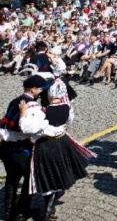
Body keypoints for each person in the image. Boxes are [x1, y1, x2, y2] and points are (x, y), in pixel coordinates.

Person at [18, 81, 96, 221]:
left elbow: (27, 128)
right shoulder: (68, 107)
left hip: (46, 145)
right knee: (59, 170)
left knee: (46, 174)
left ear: (49, 94)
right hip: (62, 142)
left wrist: (23, 114)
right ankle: (50, 207)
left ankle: (47, 209)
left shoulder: (42, 111)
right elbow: (69, 121)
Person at [0, 75, 46, 221]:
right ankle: (22, 211)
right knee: (30, 179)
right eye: (39, 88)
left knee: (12, 178)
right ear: (32, 89)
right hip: (21, 148)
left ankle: (8, 211)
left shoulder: (15, 100)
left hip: (5, 146)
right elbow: (30, 129)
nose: (40, 91)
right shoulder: (32, 105)